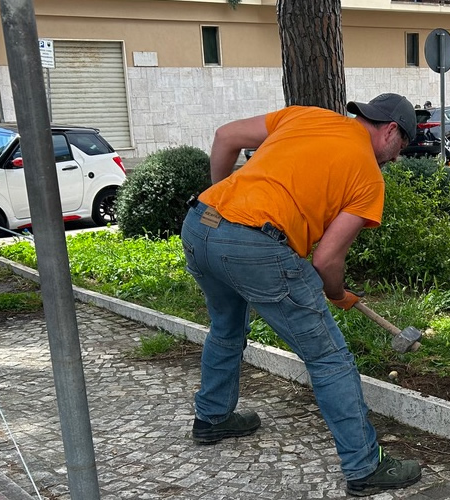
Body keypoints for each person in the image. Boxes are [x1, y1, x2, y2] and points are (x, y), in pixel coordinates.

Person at [180, 93, 422, 497]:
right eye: (402, 146)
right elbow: (327, 260)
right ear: (391, 131)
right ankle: (365, 466)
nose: (397, 158)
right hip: (256, 247)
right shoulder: (368, 176)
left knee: (225, 327)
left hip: (200, 224)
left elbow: (225, 136)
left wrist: (223, 201)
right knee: (329, 358)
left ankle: (212, 417)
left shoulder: (307, 117)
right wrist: (337, 294)